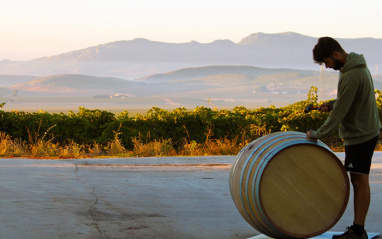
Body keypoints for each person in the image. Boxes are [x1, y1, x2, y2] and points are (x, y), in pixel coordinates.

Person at [306, 37, 381, 239]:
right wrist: (331, 103)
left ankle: (358, 231)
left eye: (327, 62)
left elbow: (339, 113)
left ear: (336, 54)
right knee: (358, 179)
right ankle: (358, 229)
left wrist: (318, 134)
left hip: (360, 135)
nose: (328, 67)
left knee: (360, 180)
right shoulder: (353, 67)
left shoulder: (351, 75)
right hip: (363, 131)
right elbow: (347, 99)